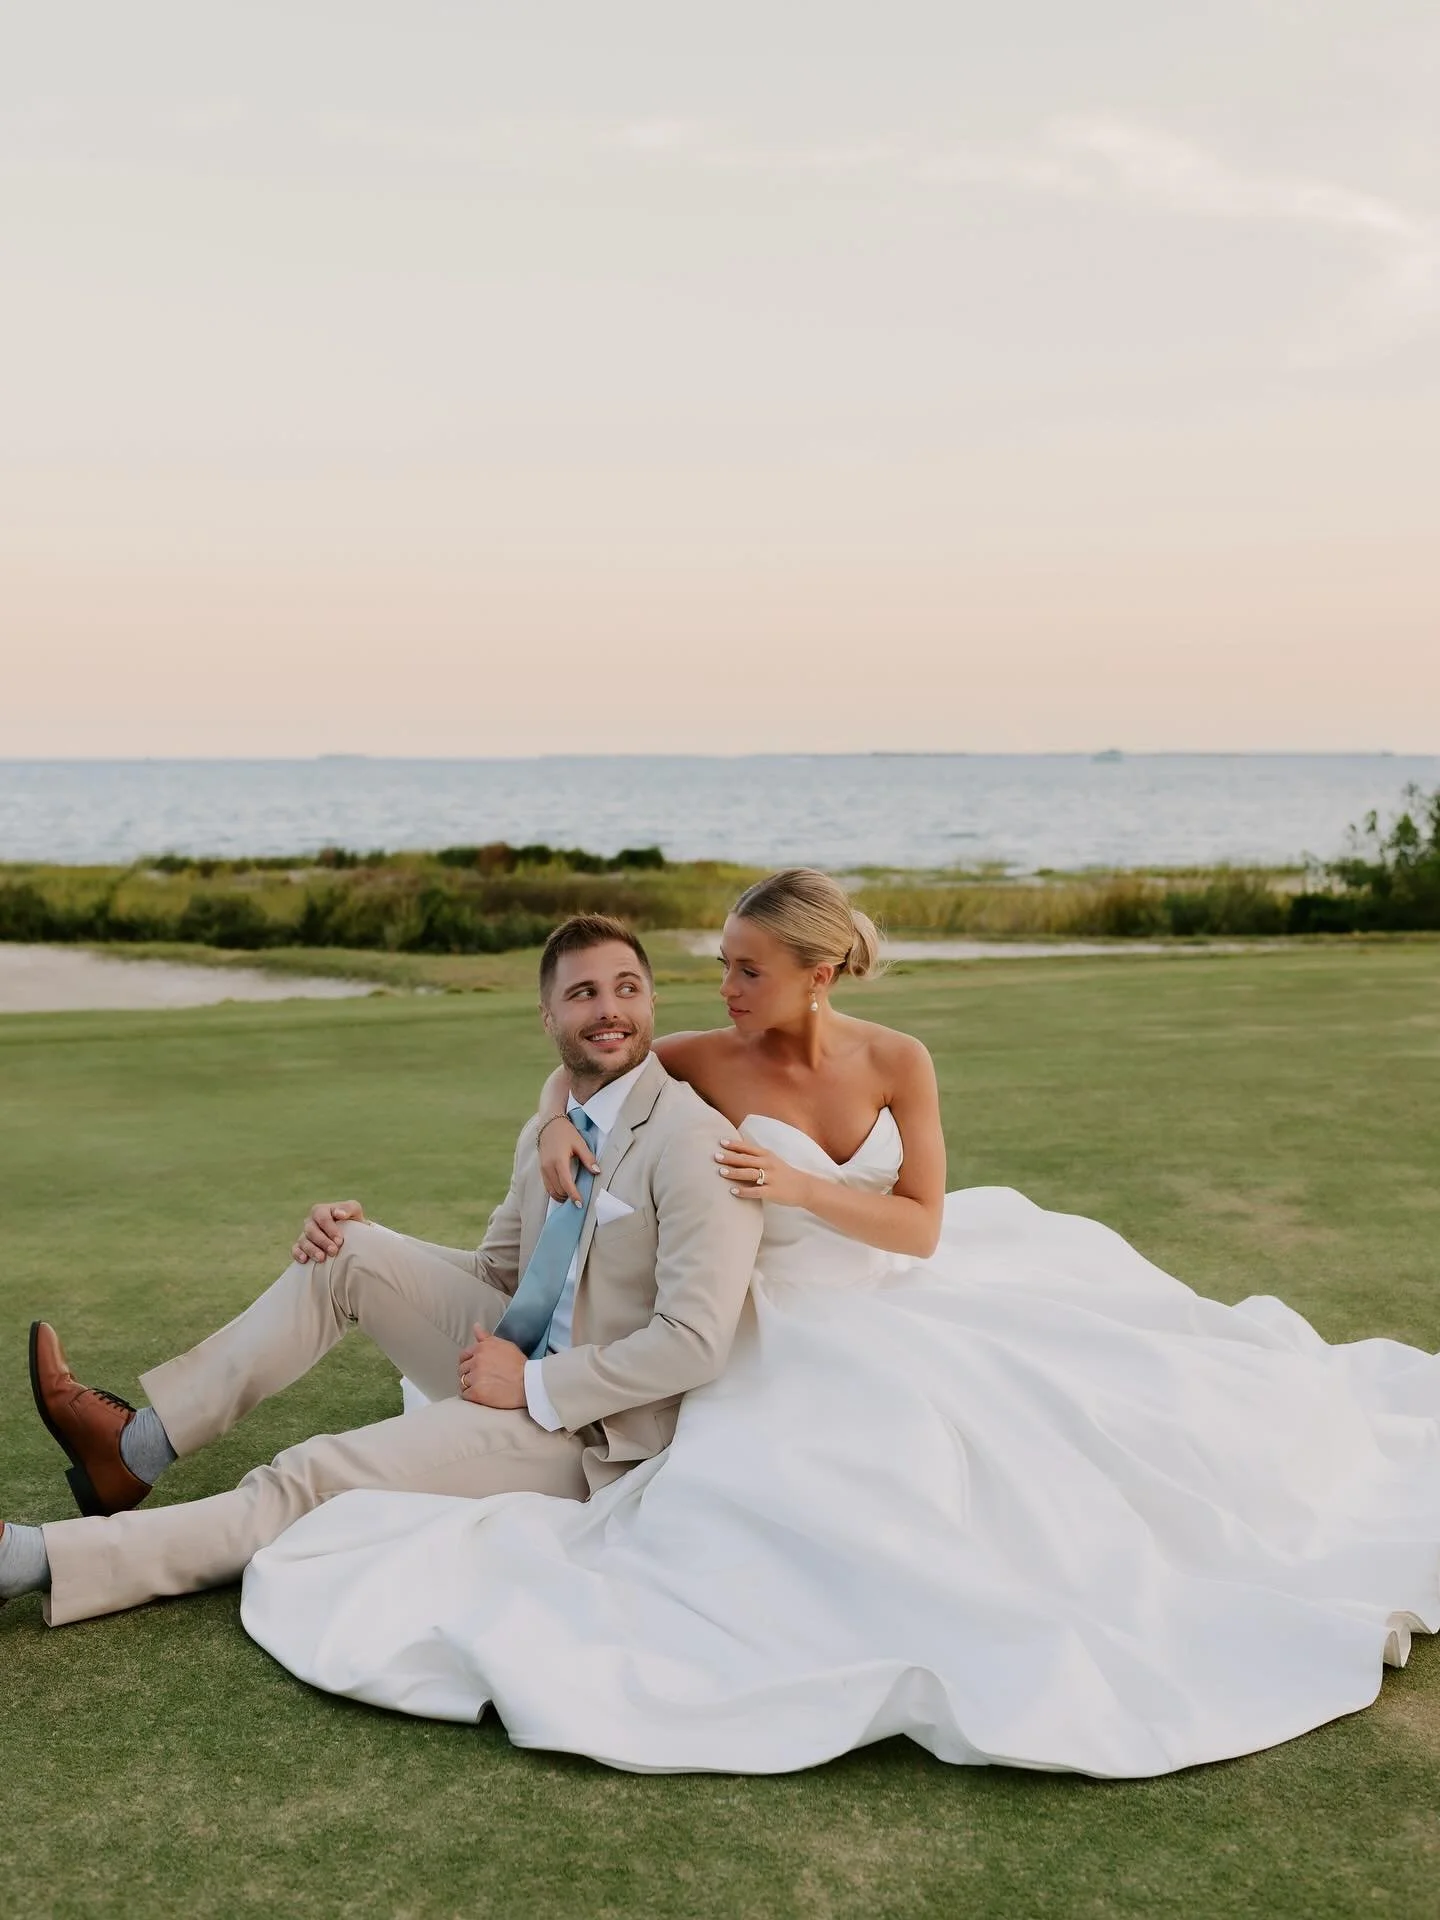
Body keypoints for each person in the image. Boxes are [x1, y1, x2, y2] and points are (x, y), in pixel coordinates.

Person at [241, 867, 1440, 1778]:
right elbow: (601, 1057)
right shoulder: (710, 1052)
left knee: (1050, 1436)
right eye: (720, 966)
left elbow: (921, 1224)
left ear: (817, 975)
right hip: (765, 1311)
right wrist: (556, 1115)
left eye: (748, 970)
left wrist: (812, 1187)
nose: (724, 989)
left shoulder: (898, 1060)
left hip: (878, 1284)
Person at [0, 914, 761, 1625]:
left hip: (589, 1428)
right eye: (583, 993)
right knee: (345, 1250)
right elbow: (500, 1273)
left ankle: (33, 1561)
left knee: (312, 1469)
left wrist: (529, 1385)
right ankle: (135, 1449)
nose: (609, 1010)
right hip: (504, 1355)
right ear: (548, 1017)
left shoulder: (691, 1142)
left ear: (653, 1000)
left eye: (626, 989)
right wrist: (377, 1241)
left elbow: (694, 1341)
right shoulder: (553, 1128)